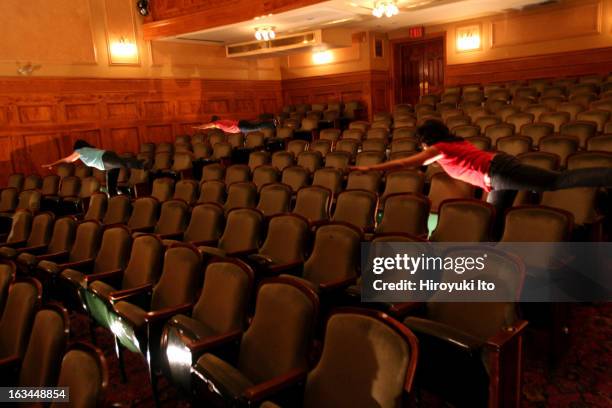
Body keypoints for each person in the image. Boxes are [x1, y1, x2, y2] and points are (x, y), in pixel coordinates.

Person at [351, 120, 612, 216]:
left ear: (427, 139)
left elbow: (407, 163)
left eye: (422, 141)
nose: (421, 145)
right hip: (497, 176)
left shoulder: (438, 149)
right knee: (493, 216)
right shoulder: (453, 143)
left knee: (557, 181)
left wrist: (373, 169)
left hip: (501, 172)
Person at [42, 140, 145, 196]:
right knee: (111, 187)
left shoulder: (80, 150)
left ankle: (143, 164)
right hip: (107, 160)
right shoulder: (89, 149)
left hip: (105, 160)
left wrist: (52, 164)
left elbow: (66, 160)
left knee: (123, 163)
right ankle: (117, 202)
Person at [195, 116, 277, 134]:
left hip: (240, 126)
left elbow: (206, 126)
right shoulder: (221, 122)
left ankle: (272, 122)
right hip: (241, 124)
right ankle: (272, 123)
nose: (212, 127)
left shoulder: (218, 123)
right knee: (256, 125)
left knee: (257, 127)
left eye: (212, 125)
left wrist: (198, 127)